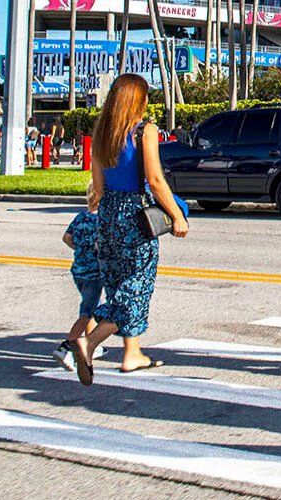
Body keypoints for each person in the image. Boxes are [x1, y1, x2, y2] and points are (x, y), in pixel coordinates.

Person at [65, 74, 189, 386]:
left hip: (107, 215)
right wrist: (177, 216)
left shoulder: (102, 131)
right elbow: (155, 180)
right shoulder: (145, 131)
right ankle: (89, 343)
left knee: (118, 283)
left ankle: (132, 354)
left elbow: (97, 186)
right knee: (135, 290)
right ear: (139, 100)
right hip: (135, 216)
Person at [51, 197, 110, 371]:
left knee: (91, 307)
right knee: (87, 312)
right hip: (94, 273)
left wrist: (80, 249)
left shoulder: (80, 217)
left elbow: (67, 238)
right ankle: (67, 347)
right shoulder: (102, 222)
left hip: (78, 270)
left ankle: (93, 345)